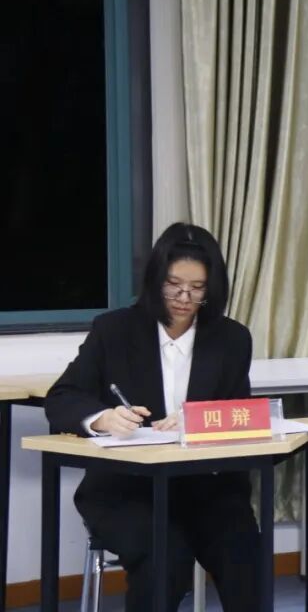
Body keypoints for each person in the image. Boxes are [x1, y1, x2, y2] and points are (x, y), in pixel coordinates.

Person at [45, 222, 259, 612]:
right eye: (173, 285)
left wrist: (196, 419)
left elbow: (238, 412)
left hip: (206, 487)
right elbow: (62, 398)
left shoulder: (231, 338)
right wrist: (103, 418)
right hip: (127, 491)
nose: (184, 298)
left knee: (244, 553)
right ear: (155, 280)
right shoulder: (114, 330)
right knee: (165, 560)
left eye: (197, 288)